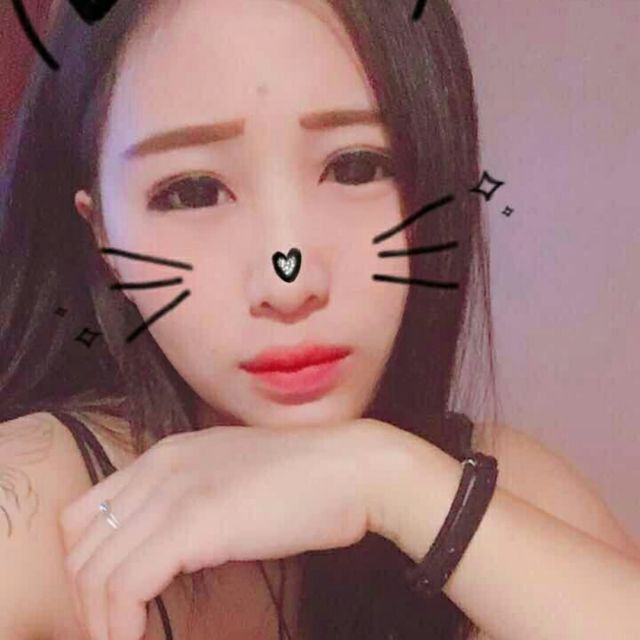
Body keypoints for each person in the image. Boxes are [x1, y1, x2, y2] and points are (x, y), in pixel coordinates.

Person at [1, 1, 639, 639]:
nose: (291, 284)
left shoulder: (491, 486)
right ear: (103, 237)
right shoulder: (30, 515)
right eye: (193, 191)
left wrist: (389, 483)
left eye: (356, 167)